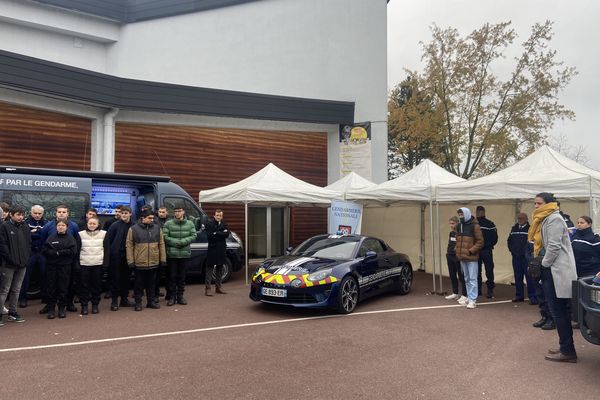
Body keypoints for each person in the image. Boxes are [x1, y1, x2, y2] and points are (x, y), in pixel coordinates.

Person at [529, 192, 578, 363]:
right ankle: (566, 347)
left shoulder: (554, 218)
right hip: (552, 269)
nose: (535, 206)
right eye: (534, 203)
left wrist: (543, 265)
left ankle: (568, 350)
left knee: (558, 312)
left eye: (538, 203)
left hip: (555, 270)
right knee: (559, 311)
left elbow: (554, 247)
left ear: (549, 203)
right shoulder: (545, 218)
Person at [39, 204, 81, 314]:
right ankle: (49, 306)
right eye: (59, 212)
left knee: (67, 284)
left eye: (64, 212)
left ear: (67, 213)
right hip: (51, 262)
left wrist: (73, 259)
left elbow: (77, 243)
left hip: (67, 262)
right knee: (50, 285)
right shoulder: (48, 226)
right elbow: (43, 242)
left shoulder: (74, 226)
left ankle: (68, 304)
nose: (61, 213)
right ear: (56, 213)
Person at [126, 208, 166, 311]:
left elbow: (161, 244)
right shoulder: (133, 229)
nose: (152, 220)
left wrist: (163, 259)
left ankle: (150, 302)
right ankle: (138, 303)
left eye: (153, 218)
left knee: (152, 284)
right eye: (150, 218)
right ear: (143, 218)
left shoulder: (157, 228)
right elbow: (129, 245)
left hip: (154, 261)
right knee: (138, 284)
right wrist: (130, 261)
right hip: (139, 262)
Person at [0, 205, 31, 325]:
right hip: (8, 265)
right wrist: (12, 259)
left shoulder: (25, 226)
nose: (21, 217)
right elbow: (3, 246)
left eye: (22, 214)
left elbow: (29, 244)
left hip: (22, 264)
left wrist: (25, 259)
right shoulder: (4, 227)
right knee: (4, 290)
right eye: (18, 214)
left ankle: (13, 313)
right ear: (11, 215)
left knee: (16, 289)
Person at [43, 219, 78, 319]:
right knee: (51, 287)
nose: (61, 227)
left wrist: (59, 252)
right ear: (56, 227)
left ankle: (62, 308)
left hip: (65, 266)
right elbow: (45, 250)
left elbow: (72, 251)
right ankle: (51, 309)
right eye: (59, 225)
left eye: (63, 225)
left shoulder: (70, 238)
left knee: (63, 288)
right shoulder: (51, 237)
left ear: (67, 227)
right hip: (52, 266)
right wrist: (54, 253)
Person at [162, 206, 196, 306]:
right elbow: (164, 236)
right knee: (172, 277)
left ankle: (180, 296)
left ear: (183, 212)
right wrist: (176, 242)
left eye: (179, 211)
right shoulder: (168, 223)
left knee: (182, 277)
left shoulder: (190, 223)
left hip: (184, 255)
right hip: (172, 255)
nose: (177, 213)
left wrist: (184, 241)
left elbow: (193, 235)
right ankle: (172, 297)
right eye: (176, 211)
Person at [78, 217, 110, 315]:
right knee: (84, 287)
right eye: (90, 223)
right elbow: (77, 249)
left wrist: (105, 264)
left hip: (98, 264)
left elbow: (107, 250)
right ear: (87, 224)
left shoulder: (104, 234)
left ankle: (95, 305)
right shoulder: (80, 234)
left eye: (94, 223)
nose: (92, 225)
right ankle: (84, 306)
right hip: (84, 264)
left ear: (98, 224)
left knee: (96, 287)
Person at [18, 204, 47, 308]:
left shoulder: (46, 223)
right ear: (31, 213)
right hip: (30, 253)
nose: (37, 215)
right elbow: (25, 236)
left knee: (44, 275)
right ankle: (23, 299)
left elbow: (45, 236)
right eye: (35, 213)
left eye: (39, 213)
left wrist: (35, 232)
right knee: (25, 276)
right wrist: (37, 233)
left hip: (41, 252)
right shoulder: (25, 222)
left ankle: (45, 296)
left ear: (43, 214)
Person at [455, 207, 484, 309]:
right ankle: (468, 296)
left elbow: (480, 241)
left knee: (472, 279)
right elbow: (457, 239)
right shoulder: (459, 226)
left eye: (462, 215)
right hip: (462, 257)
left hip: (471, 257)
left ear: (467, 214)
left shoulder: (475, 226)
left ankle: (473, 300)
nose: (460, 217)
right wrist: (457, 250)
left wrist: (470, 251)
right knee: (466, 278)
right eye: (459, 215)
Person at [107, 205, 134, 311]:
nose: (123, 215)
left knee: (126, 279)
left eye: (126, 213)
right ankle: (114, 302)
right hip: (116, 257)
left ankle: (124, 300)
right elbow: (108, 241)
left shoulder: (134, 225)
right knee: (115, 280)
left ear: (130, 214)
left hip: (128, 257)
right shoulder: (114, 225)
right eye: (122, 213)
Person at [507, 213, 537, 303]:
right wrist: (512, 250)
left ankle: (532, 297)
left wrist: (527, 253)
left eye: (521, 218)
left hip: (526, 257)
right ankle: (519, 295)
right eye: (518, 218)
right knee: (518, 277)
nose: (519, 219)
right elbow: (509, 241)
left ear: (526, 219)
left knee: (529, 278)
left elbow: (532, 243)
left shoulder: (530, 229)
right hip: (516, 257)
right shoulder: (514, 228)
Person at [205, 209, 229, 296]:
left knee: (220, 268)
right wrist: (221, 233)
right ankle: (207, 288)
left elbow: (227, 234)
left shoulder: (224, 224)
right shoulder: (209, 224)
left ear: (222, 216)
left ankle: (218, 288)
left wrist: (216, 233)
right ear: (214, 216)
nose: (218, 217)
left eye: (220, 216)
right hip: (212, 249)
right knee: (209, 269)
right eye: (217, 215)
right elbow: (210, 236)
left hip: (221, 249)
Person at [476, 206, 498, 298]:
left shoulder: (476, 224)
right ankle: (485, 290)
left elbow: (495, 238)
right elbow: (495, 238)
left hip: (482, 250)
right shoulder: (489, 224)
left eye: (479, 212)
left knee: (485, 270)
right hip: (483, 250)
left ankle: (485, 290)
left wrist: (485, 246)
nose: (478, 214)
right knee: (483, 271)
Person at [444, 216, 467, 302]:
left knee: (461, 276)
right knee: (452, 275)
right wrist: (448, 253)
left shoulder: (461, 233)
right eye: (450, 223)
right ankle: (455, 293)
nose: (451, 225)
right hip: (450, 256)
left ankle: (464, 294)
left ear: (457, 223)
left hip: (457, 257)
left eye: (453, 223)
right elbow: (450, 243)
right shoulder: (451, 233)